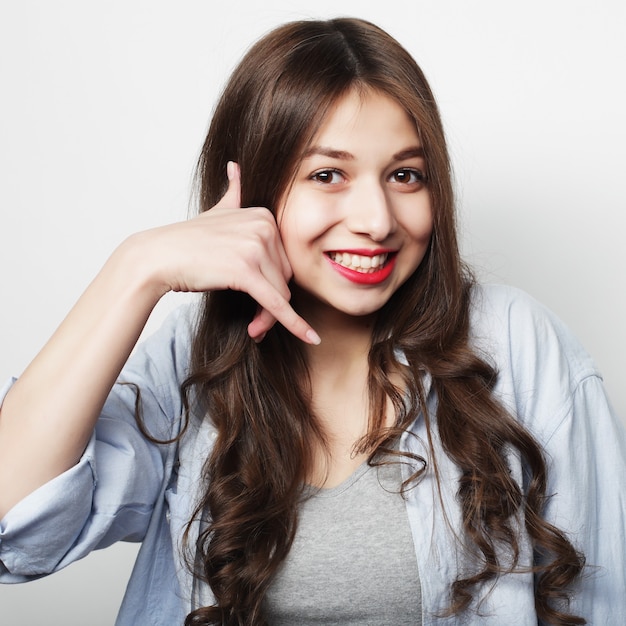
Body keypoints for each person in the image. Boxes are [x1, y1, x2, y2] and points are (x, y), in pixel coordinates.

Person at [0, 16, 624, 626]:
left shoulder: (517, 344)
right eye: (328, 175)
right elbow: (17, 529)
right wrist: (135, 269)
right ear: (254, 189)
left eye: (405, 175)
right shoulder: (190, 360)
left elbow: (600, 599)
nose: (377, 220)